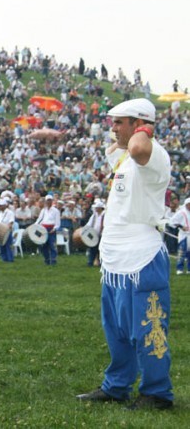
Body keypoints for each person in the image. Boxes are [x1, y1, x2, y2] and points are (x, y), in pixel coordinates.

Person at [76, 98, 173, 410]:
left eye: (120, 121)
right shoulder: (122, 160)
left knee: (149, 328)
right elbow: (119, 147)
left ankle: (156, 392)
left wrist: (145, 129)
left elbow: (139, 148)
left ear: (139, 124)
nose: (113, 128)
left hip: (142, 257)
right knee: (116, 331)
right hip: (115, 260)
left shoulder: (154, 155)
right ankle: (116, 386)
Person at [35, 195, 61, 265]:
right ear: (45, 201)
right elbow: (39, 219)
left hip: (51, 228)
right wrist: (35, 226)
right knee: (43, 245)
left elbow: (57, 222)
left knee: (52, 245)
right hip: (43, 228)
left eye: (50, 200)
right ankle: (47, 259)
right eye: (47, 200)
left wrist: (54, 228)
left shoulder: (56, 211)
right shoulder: (43, 210)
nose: (49, 202)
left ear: (52, 201)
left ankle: (53, 260)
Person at [170, 197, 190, 274]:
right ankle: (179, 269)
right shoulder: (181, 212)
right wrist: (181, 227)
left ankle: (189, 269)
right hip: (184, 235)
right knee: (181, 252)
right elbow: (172, 221)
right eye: (188, 205)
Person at [85, 200, 105, 267]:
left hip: (102, 235)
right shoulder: (94, 215)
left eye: (97, 207)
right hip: (93, 235)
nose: (96, 209)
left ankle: (101, 263)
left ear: (100, 208)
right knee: (92, 248)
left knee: (101, 249)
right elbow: (89, 224)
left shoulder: (105, 215)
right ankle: (90, 262)